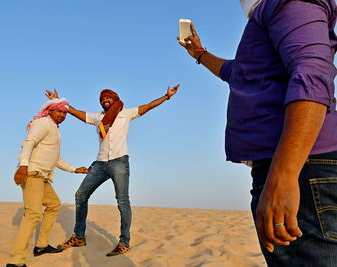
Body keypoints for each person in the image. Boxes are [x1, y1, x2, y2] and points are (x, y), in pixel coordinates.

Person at [178, 0, 337, 266]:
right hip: (290, 167)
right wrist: (200, 54)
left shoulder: (289, 2)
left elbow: (313, 75)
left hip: (302, 169)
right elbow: (238, 73)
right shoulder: (266, 13)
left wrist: (284, 176)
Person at [46, 85, 179, 256]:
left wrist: (166, 96)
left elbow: (148, 106)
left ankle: (124, 242)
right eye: (102, 99)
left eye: (108, 98)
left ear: (114, 99)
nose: (105, 100)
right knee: (81, 195)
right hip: (100, 164)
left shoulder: (126, 114)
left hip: (119, 162)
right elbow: (76, 112)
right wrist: (58, 101)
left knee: (122, 201)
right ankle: (79, 237)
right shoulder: (98, 117)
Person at [6, 98, 88, 267]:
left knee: (54, 205)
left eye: (65, 113)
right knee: (33, 214)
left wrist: (74, 169)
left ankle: (41, 245)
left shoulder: (55, 128)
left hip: (42, 177)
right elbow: (29, 143)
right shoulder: (43, 123)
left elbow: (55, 157)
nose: (63, 115)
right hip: (32, 173)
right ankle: (16, 261)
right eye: (59, 111)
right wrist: (23, 166)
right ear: (50, 110)